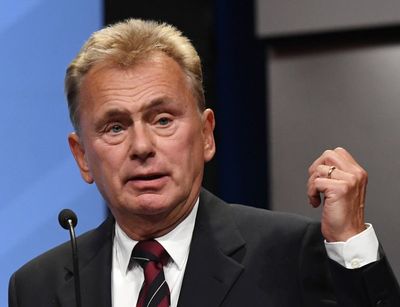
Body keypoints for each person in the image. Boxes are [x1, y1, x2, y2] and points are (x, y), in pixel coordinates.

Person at [8, 19, 400, 307]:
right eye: (115, 127)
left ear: (206, 134)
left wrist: (350, 241)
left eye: (162, 119)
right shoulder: (38, 287)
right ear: (82, 157)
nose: (142, 146)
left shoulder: (289, 255)